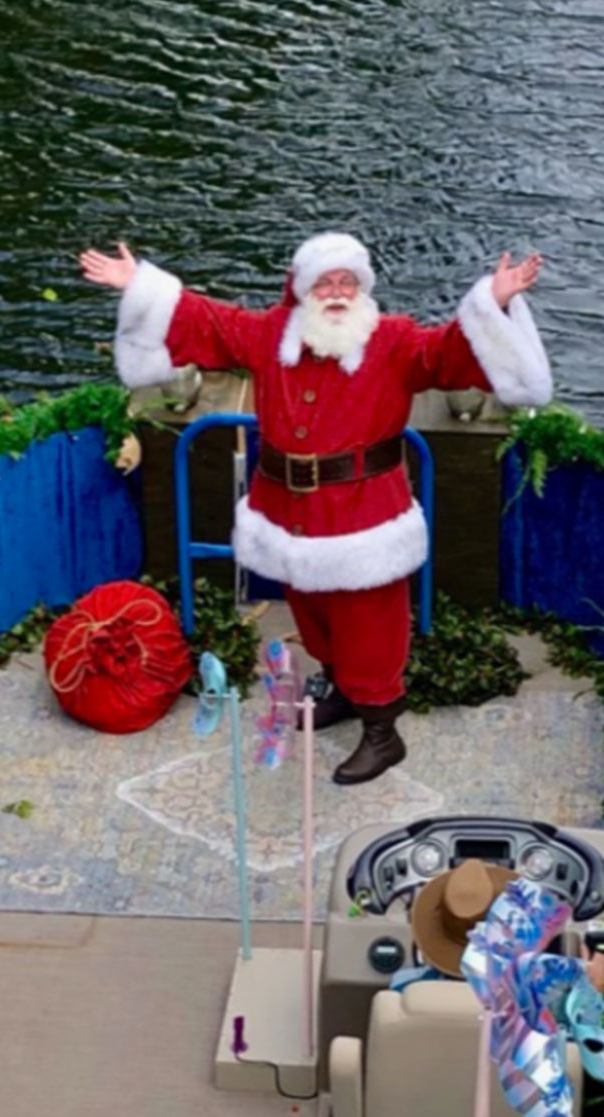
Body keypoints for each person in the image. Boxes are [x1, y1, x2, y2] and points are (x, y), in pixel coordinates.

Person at [77, 233, 555, 784]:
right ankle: (340, 691)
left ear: (362, 289)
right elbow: (205, 321)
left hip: (364, 513)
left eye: (347, 282)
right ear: (302, 290)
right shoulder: (268, 336)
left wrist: (491, 302)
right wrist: (140, 284)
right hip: (288, 511)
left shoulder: (392, 339)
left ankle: (382, 732)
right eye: (324, 283)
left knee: (371, 626)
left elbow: (446, 353)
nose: (336, 293)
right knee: (313, 611)